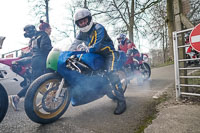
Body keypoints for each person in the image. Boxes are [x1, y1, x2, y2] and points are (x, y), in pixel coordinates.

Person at [69, 8, 126, 115]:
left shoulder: (98, 28)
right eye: (80, 22)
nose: (83, 23)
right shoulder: (81, 33)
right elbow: (75, 43)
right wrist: (68, 52)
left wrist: (85, 49)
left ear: (89, 19)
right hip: (95, 55)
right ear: (78, 24)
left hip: (108, 54)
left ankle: (122, 102)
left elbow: (96, 45)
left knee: (112, 74)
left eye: (85, 21)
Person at [10, 21, 53, 111]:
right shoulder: (43, 35)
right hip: (42, 60)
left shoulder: (33, 39)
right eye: (50, 28)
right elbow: (45, 48)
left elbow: (32, 51)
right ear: (46, 28)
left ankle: (45, 100)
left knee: (39, 82)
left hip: (35, 61)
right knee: (37, 83)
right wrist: (55, 51)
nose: (50, 30)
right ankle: (17, 98)